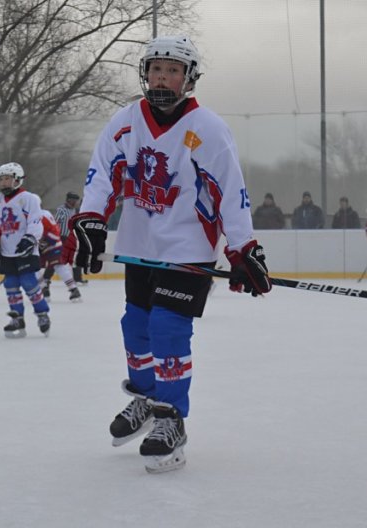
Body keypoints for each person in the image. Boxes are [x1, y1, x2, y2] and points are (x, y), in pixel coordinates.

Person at [62, 35, 271, 473]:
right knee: (135, 327)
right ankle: (145, 397)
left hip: (189, 250)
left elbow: (230, 193)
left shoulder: (208, 129)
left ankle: (170, 418)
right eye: (156, 69)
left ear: (188, 78)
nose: (162, 77)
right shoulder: (125, 121)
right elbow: (102, 173)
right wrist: (91, 219)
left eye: (173, 70)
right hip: (139, 247)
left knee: (167, 329)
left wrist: (242, 248)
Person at [0, 162, 51, 337]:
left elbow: (35, 221)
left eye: (7, 179)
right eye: (1, 179)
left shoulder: (29, 198)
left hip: (25, 250)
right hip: (7, 251)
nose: (3, 183)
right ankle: (17, 318)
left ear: (17, 179)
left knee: (29, 282)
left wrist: (30, 238)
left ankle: (42, 314)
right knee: (11, 284)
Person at [37, 207, 81, 302]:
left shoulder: (37, 215)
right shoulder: (44, 212)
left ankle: (45, 289)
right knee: (56, 266)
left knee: (57, 266)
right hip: (50, 241)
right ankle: (45, 289)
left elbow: (48, 231)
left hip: (49, 242)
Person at [52, 191, 87, 285]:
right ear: (69, 200)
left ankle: (78, 279)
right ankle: (46, 279)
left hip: (71, 238)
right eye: (74, 200)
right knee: (56, 259)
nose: (76, 202)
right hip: (61, 238)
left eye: (76, 200)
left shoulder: (74, 210)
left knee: (75, 258)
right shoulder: (61, 210)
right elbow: (55, 223)